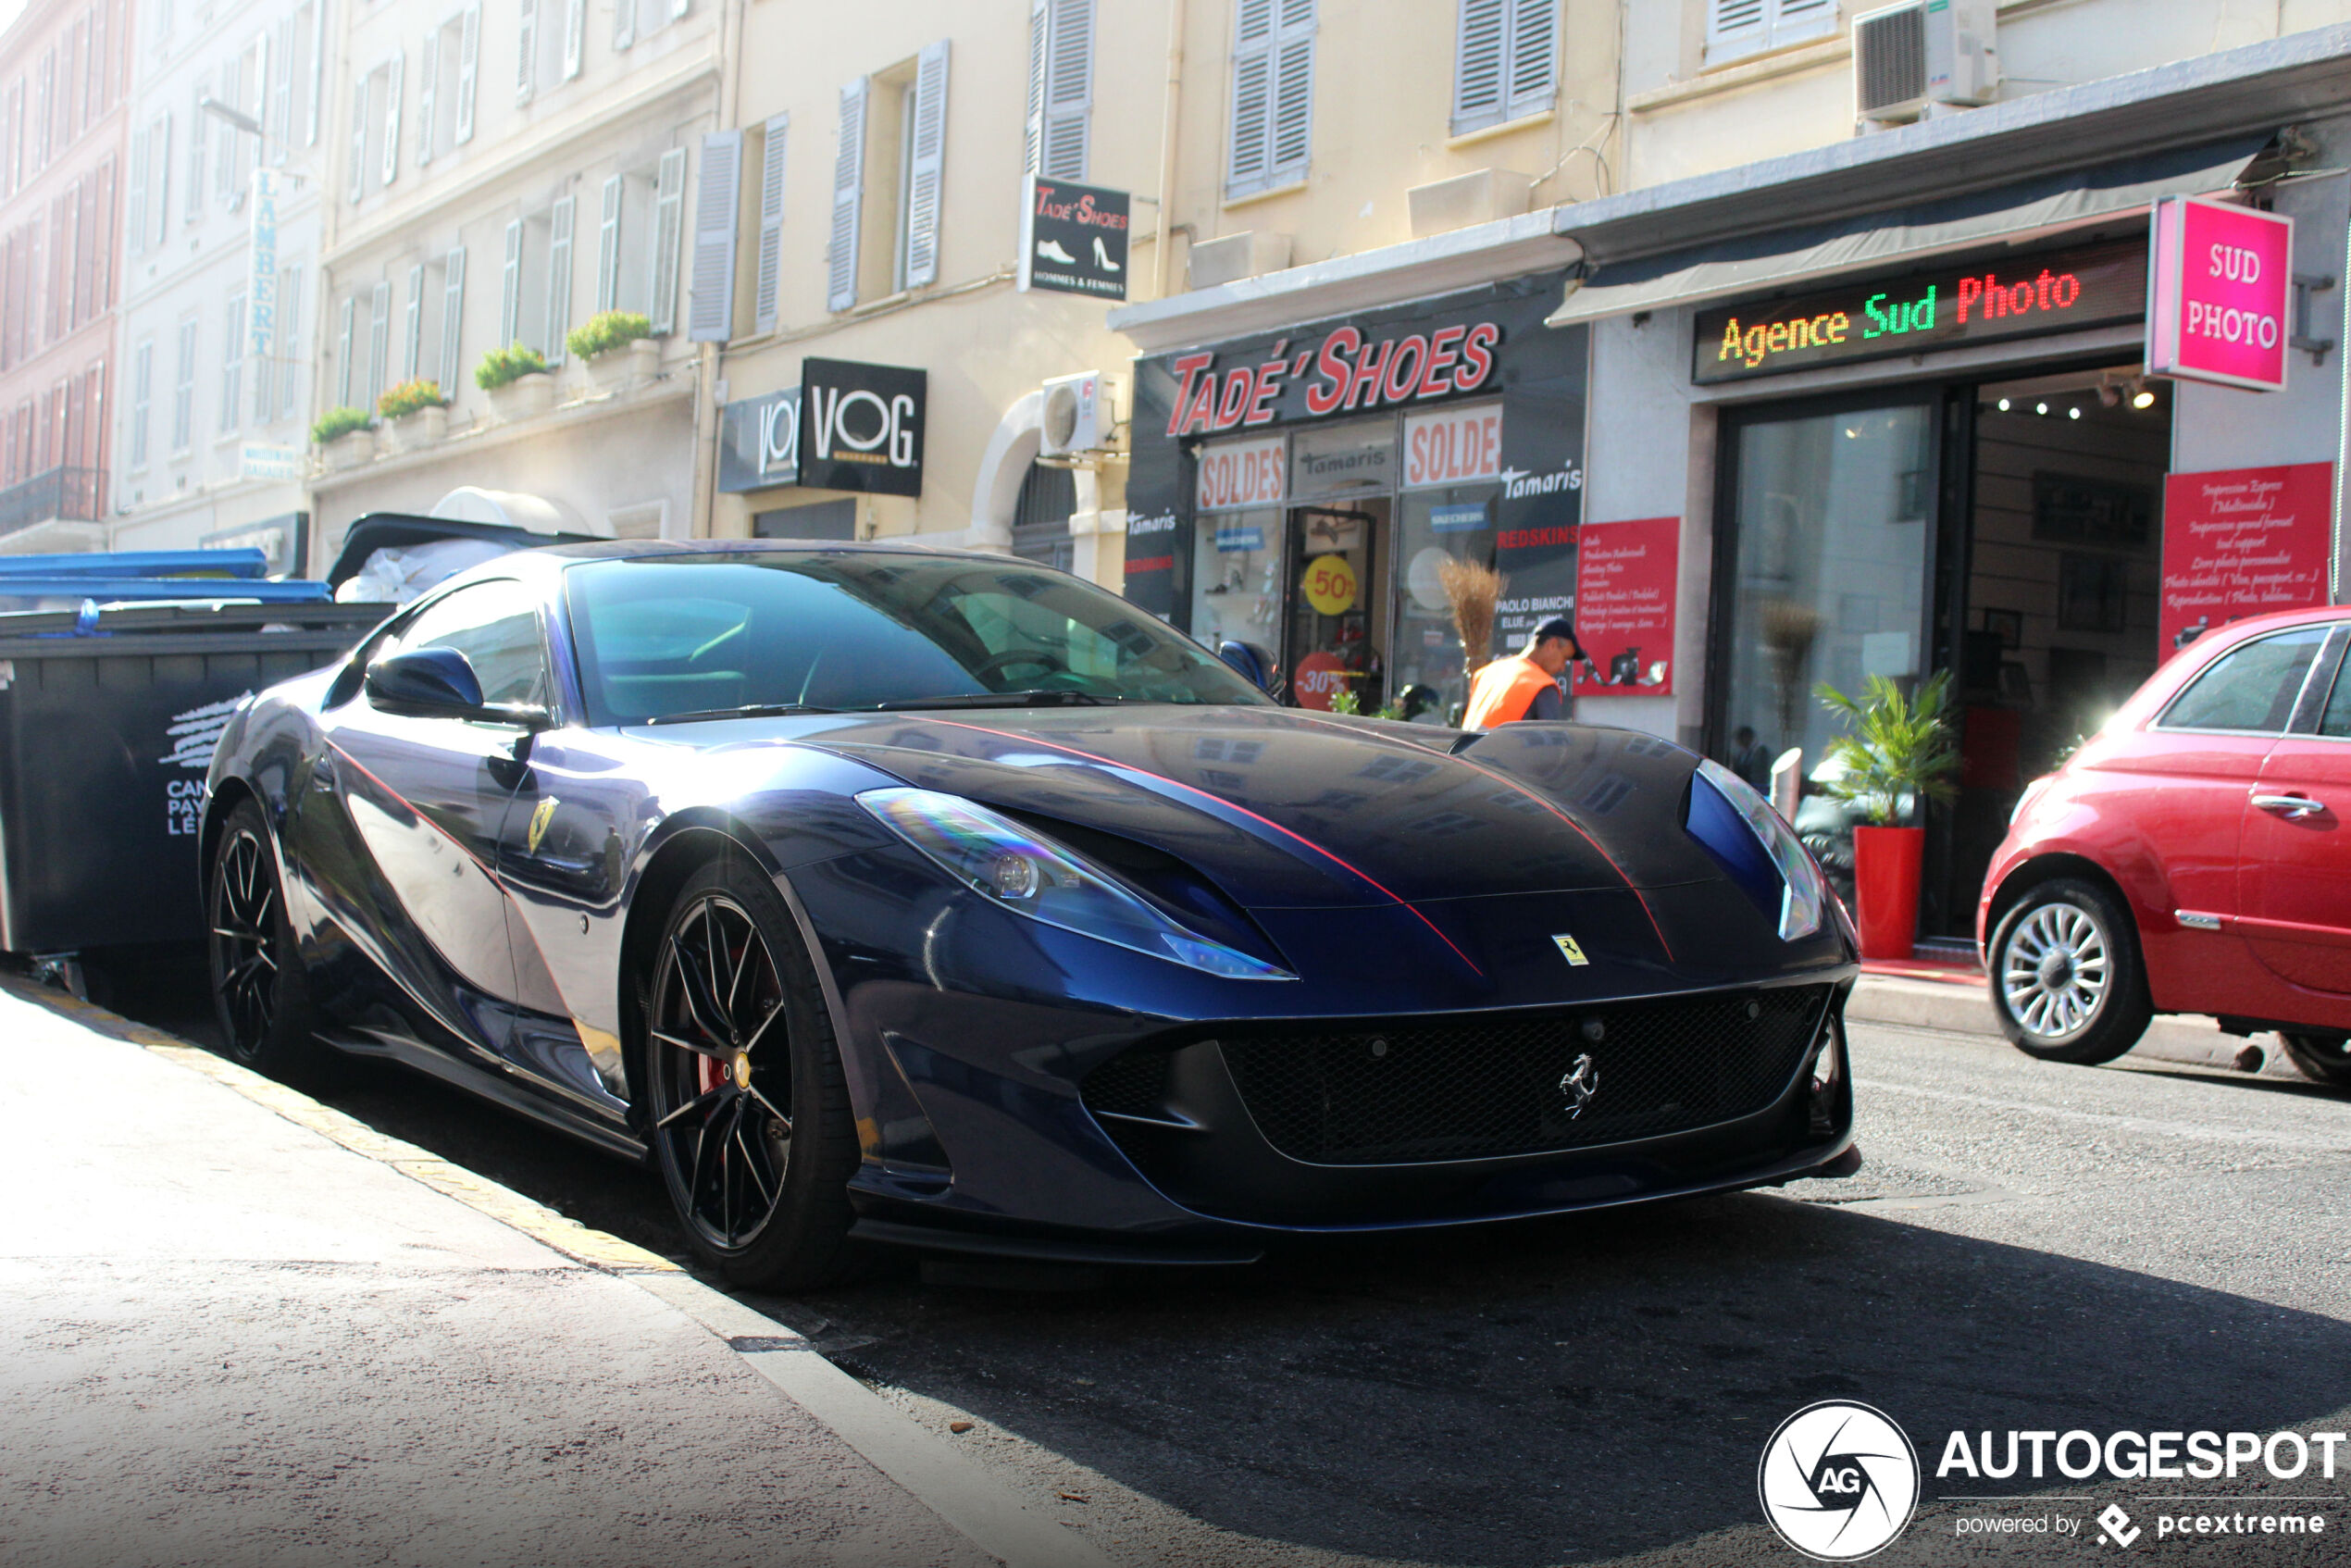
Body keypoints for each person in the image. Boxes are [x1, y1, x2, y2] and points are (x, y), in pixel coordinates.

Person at [1462, 616, 1582, 729]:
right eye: (1565, 658)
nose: (1562, 668)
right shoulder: (1542, 686)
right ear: (1552, 645)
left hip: (1465, 750)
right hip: (1502, 751)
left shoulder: (1486, 673)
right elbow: (1552, 745)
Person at [1729, 725, 1774, 791]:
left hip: (1755, 788)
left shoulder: (1760, 751)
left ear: (1747, 737)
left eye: (1739, 739)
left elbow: (1758, 774)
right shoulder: (1741, 753)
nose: (1738, 743)